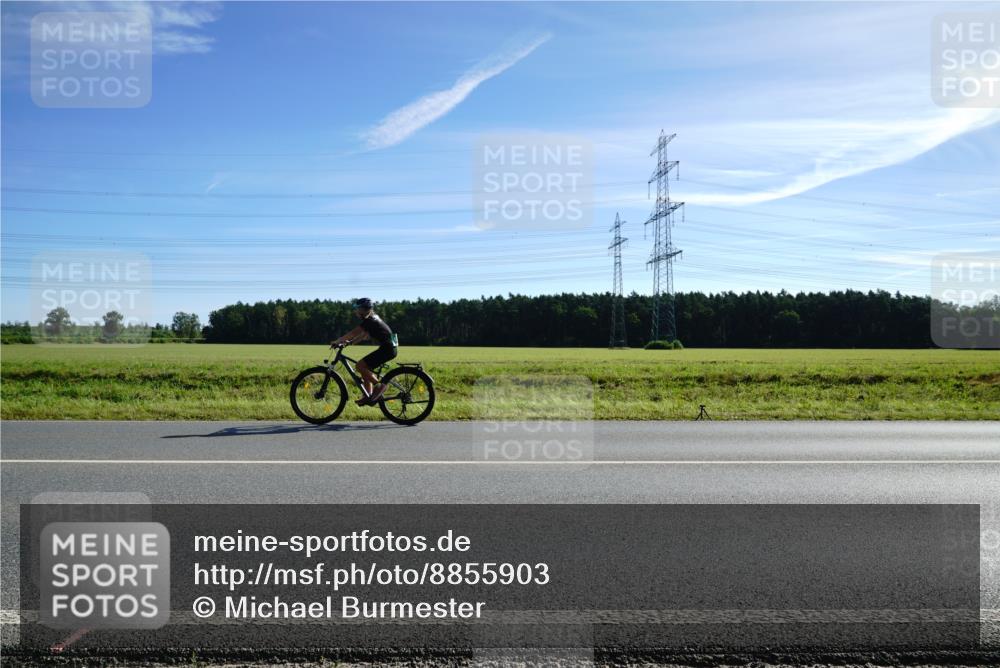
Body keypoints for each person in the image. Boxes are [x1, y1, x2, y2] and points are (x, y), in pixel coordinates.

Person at [331, 298, 398, 405]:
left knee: (360, 366)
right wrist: (349, 343)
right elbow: (363, 335)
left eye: (358, 309)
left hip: (387, 349)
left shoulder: (370, 321)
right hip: (389, 348)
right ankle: (368, 395)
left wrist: (338, 341)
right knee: (365, 368)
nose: (356, 311)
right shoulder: (373, 318)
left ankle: (380, 386)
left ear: (364, 309)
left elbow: (353, 333)